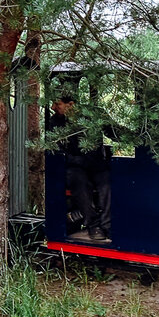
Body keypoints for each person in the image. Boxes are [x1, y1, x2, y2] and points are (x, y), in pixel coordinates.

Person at [49, 94, 112, 242]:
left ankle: (108, 226)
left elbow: (113, 132)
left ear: (71, 104)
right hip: (75, 166)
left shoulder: (94, 114)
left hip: (96, 164)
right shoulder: (54, 122)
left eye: (57, 104)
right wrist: (78, 160)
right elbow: (57, 150)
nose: (53, 108)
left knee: (107, 183)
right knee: (79, 182)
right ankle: (93, 225)